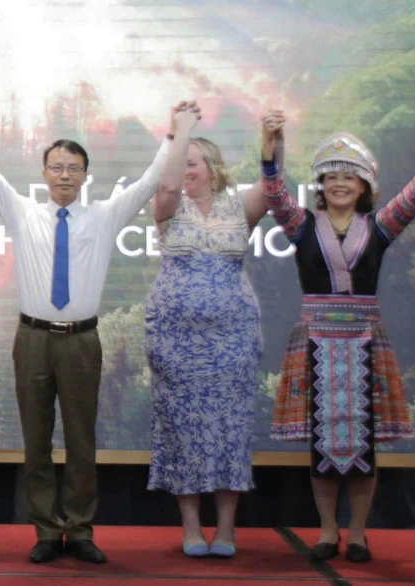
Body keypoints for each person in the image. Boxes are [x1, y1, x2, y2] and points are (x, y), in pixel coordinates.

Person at [0, 80, 187, 564]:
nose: (64, 174)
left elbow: (148, 183)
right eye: (56, 167)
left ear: (85, 175)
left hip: (81, 342)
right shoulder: (23, 213)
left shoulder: (103, 216)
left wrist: (174, 134)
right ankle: (44, 529)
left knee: (82, 439)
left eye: (73, 168)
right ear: (44, 172)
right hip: (33, 339)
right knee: (36, 439)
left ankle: (80, 530)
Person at [261, 110, 415, 563]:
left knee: (363, 448)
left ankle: (358, 532)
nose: (339, 183)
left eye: (349, 176)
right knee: (320, 448)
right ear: (321, 185)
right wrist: (269, 146)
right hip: (315, 344)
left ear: (364, 186)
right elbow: (274, 191)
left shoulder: (379, 228)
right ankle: (327, 530)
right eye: (331, 176)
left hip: (363, 344)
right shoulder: (300, 224)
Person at [145, 117, 272, 558]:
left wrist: (272, 142)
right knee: (182, 428)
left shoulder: (239, 207)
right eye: (183, 162)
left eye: (194, 162)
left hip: (232, 341)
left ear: (213, 167)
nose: (186, 170)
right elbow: (167, 181)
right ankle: (191, 528)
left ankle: (227, 530)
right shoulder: (166, 205)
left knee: (229, 429)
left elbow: (273, 186)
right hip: (174, 341)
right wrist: (180, 132)